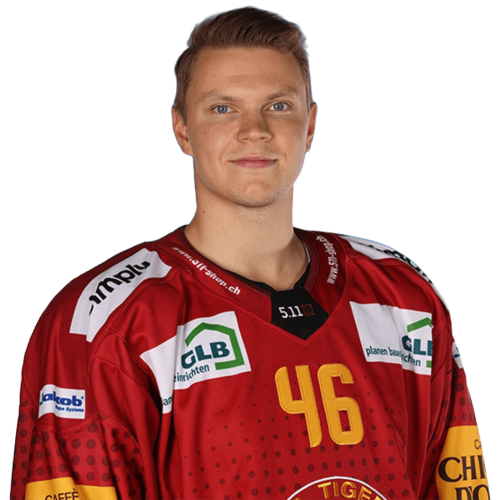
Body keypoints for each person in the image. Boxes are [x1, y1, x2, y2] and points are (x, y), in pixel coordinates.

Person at [11, 6, 489, 500]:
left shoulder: (403, 297)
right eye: (223, 108)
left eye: (278, 105)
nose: (254, 129)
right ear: (181, 128)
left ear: (310, 125)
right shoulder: (102, 323)